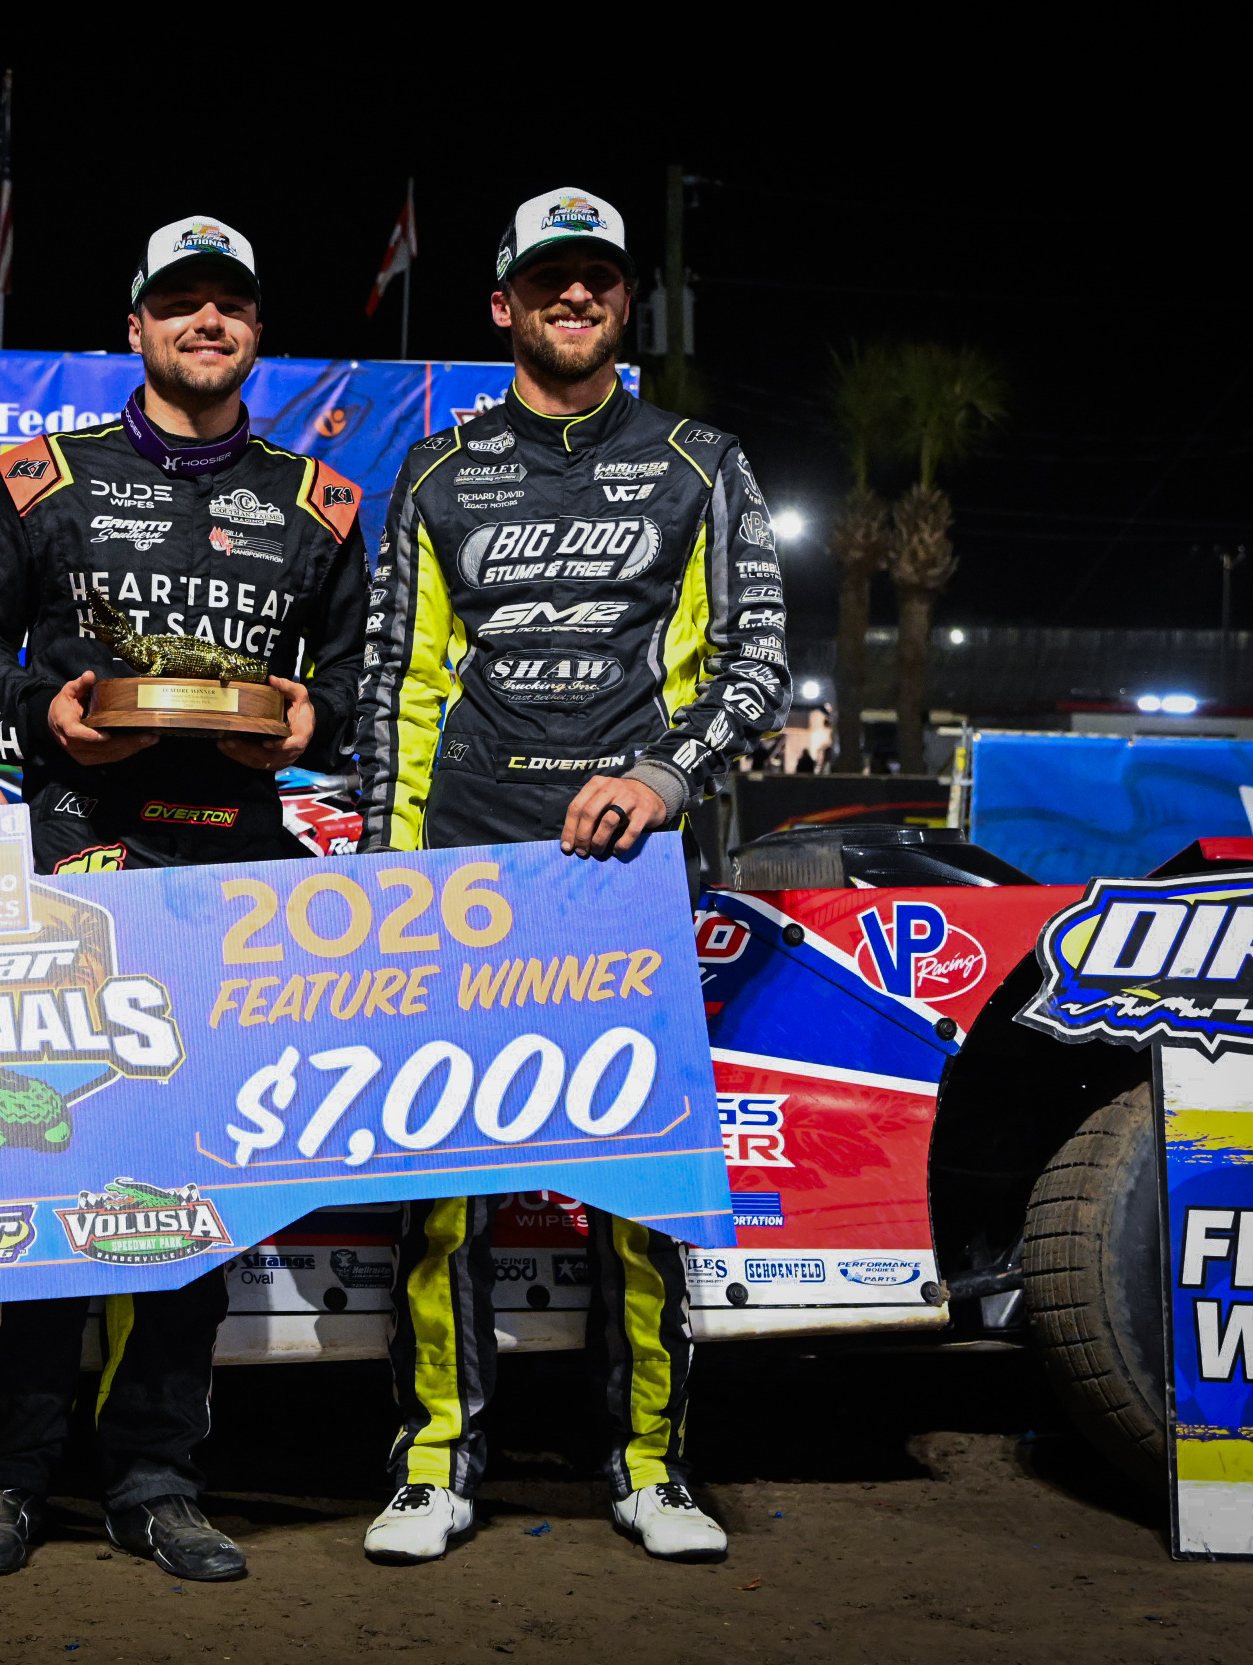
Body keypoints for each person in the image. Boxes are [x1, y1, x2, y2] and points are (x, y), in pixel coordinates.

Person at [353, 187, 789, 1565]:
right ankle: (434, 1465)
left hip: (631, 881)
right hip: (463, 878)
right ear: (505, 305)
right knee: (442, 1190)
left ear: (624, 300)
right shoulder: (436, 469)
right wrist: (387, 876)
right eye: (549, 278)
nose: (575, 296)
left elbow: (756, 666)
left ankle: (651, 1468)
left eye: (597, 276)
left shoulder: (701, 461)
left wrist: (662, 778)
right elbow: (397, 685)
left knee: (642, 1190)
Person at [0, 217, 369, 1580]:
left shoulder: (320, 502)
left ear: (256, 332)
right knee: (51, 1162)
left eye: (228, 304)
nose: (204, 322)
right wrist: (40, 711)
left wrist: (315, 719)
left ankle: (158, 1479)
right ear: (135, 327)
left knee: (194, 1185)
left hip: (232, 865)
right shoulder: (43, 476)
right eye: (179, 302)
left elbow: (361, 682)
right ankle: (10, 1478)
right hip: (77, 850)